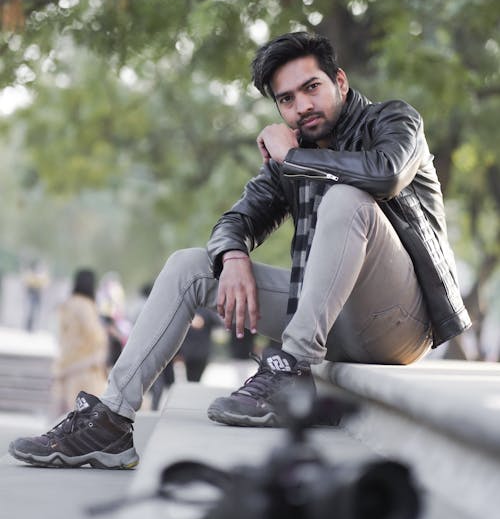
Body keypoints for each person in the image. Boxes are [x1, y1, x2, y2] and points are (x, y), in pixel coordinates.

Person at [9, 31, 471, 469]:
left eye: (311, 87)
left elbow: (385, 173)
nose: (301, 106)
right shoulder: (292, 154)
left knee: (347, 197)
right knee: (190, 266)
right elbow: (236, 220)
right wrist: (232, 257)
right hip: (332, 323)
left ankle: (288, 371)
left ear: (341, 81)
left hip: (400, 324)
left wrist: (292, 159)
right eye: (286, 99)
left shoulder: (392, 121)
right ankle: (109, 421)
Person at [51, 268, 108, 416]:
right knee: (85, 416)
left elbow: (61, 334)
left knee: (65, 416)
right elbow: (96, 336)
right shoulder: (86, 305)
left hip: (67, 365)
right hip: (84, 368)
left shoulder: (67, 304)